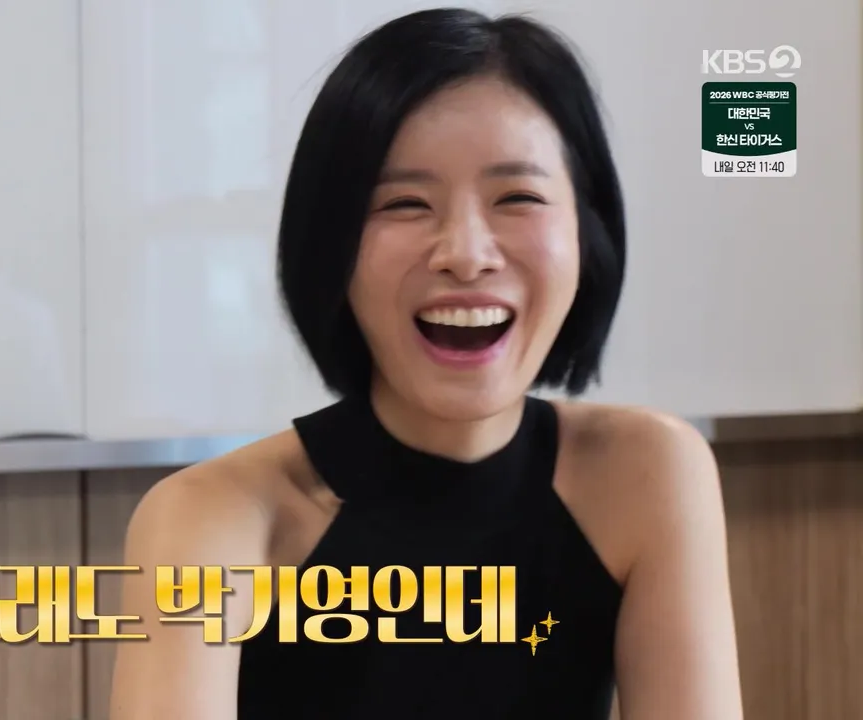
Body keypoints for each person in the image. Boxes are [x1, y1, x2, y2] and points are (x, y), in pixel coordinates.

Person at [109, 8, 743, 719]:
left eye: (518, 198)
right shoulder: (213, 518)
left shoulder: (646, 474)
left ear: (587, 235)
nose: (466, 254)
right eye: (405, 203)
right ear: (332, 246)